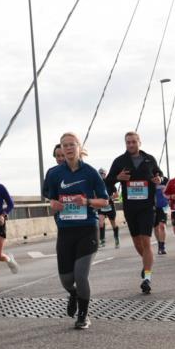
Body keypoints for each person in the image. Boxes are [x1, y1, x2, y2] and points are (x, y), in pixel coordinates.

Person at [44, 132, 109, 330]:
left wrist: (87, 201)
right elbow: (50, 199)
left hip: (87, 229)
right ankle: (73, 293)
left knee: (81, 275)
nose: (68, 148)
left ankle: (83, 314)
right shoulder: (54, 174)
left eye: (72, 144)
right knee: (66, 279)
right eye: (65, 145)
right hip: (65, 231)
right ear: (61, 150)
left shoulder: (90, 172)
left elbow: (105, 201)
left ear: (79, 147)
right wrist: (53, 204)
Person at [104, 132, 163, 295]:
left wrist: (159, 179)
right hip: (130, 208)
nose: (130, 145)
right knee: (137, 242)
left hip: (147, 206)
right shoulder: (119, 161)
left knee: (146, 239)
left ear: (139, 142)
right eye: (128, 142)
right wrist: (117, 177)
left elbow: (160, 174)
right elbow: (107, 182)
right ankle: (146, 264)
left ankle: (147, 277)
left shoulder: (149, 159)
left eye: (133, 142)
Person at [97, 168, 120, 249]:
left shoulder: (110, 184)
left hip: (110, 206)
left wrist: (110, 197)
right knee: (100, 222)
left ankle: (117, 239)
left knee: (113, 223)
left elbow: (117, 195)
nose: (101, 175)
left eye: (102, 173)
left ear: (105, 174)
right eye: (100, 173)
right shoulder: (97, 183)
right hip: (101, 206)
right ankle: (102, 240)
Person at [154, 182, 169, 255]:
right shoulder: (148, 179)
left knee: (162, 226)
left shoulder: (165, 180)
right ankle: (159, 245)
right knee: (156, 228)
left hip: (163, 206)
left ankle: (162, 247)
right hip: (152, 207)